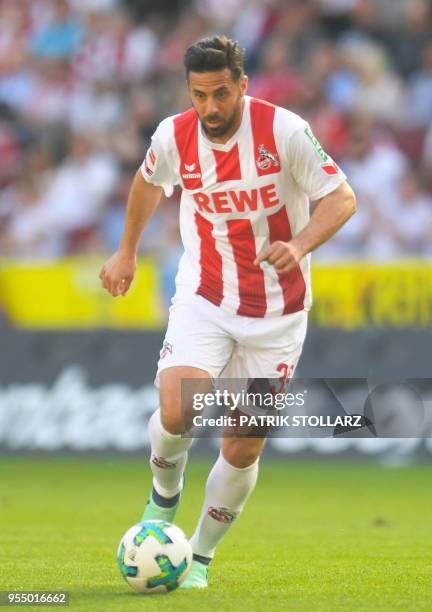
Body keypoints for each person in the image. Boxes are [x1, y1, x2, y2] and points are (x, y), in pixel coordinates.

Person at [99, 35, 356, 589]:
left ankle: (199, 558)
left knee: (242, 443)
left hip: (278, 315)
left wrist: (300, 244)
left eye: (221, 94)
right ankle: (163, 501)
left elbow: (341, 197)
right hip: (206, 297)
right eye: (199, 96)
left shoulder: (282, 131)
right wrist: (127, 251)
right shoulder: (174, 135)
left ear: (242, 85)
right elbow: (147, 183)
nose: (210, 108)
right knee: (176, 408)